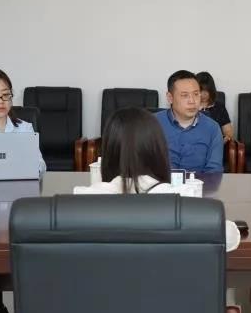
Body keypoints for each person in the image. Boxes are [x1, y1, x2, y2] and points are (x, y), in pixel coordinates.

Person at [74, 107, 240, 250]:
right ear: (158, 150)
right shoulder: (182, 201)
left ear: (108, 153)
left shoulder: (82, 201)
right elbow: (230, 236)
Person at [155, 70, 223, 173]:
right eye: (184, 95)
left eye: (196, 94)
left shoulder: (213, 129)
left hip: (199, 183)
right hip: (160, 182)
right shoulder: (152, 124)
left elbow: (214, 172)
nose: (192, 101)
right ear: (170, 98)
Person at [196, 71, 233, 141]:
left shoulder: (219, 107)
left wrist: (224, 139)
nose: (203, 94)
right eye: (200, 90)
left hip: (215, 142)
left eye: (206, 91)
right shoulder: (190, 106)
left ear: (211, 90)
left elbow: (228, 132)